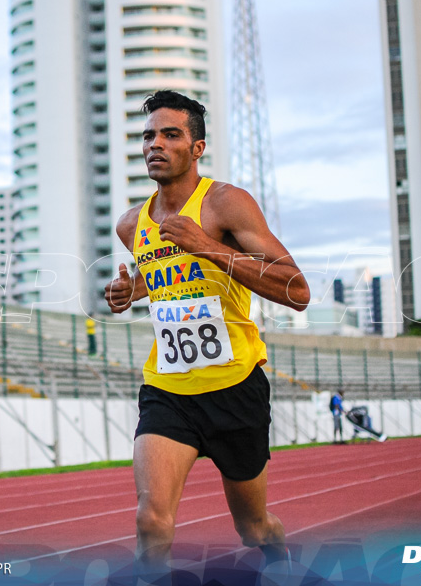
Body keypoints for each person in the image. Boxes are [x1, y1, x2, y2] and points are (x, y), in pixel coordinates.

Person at [104, 91, 310, 579]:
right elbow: (169, 278)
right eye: (149, 135)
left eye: (171, 134)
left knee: (254, 528)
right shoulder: (131, 224)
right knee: (151, 523)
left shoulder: (225, 204)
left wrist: (209, 247)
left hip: (236, 386)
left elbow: (297, 291)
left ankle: (282, 566)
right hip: (168, 389)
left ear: (197, 148)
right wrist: (131, 291)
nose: (155, 144)